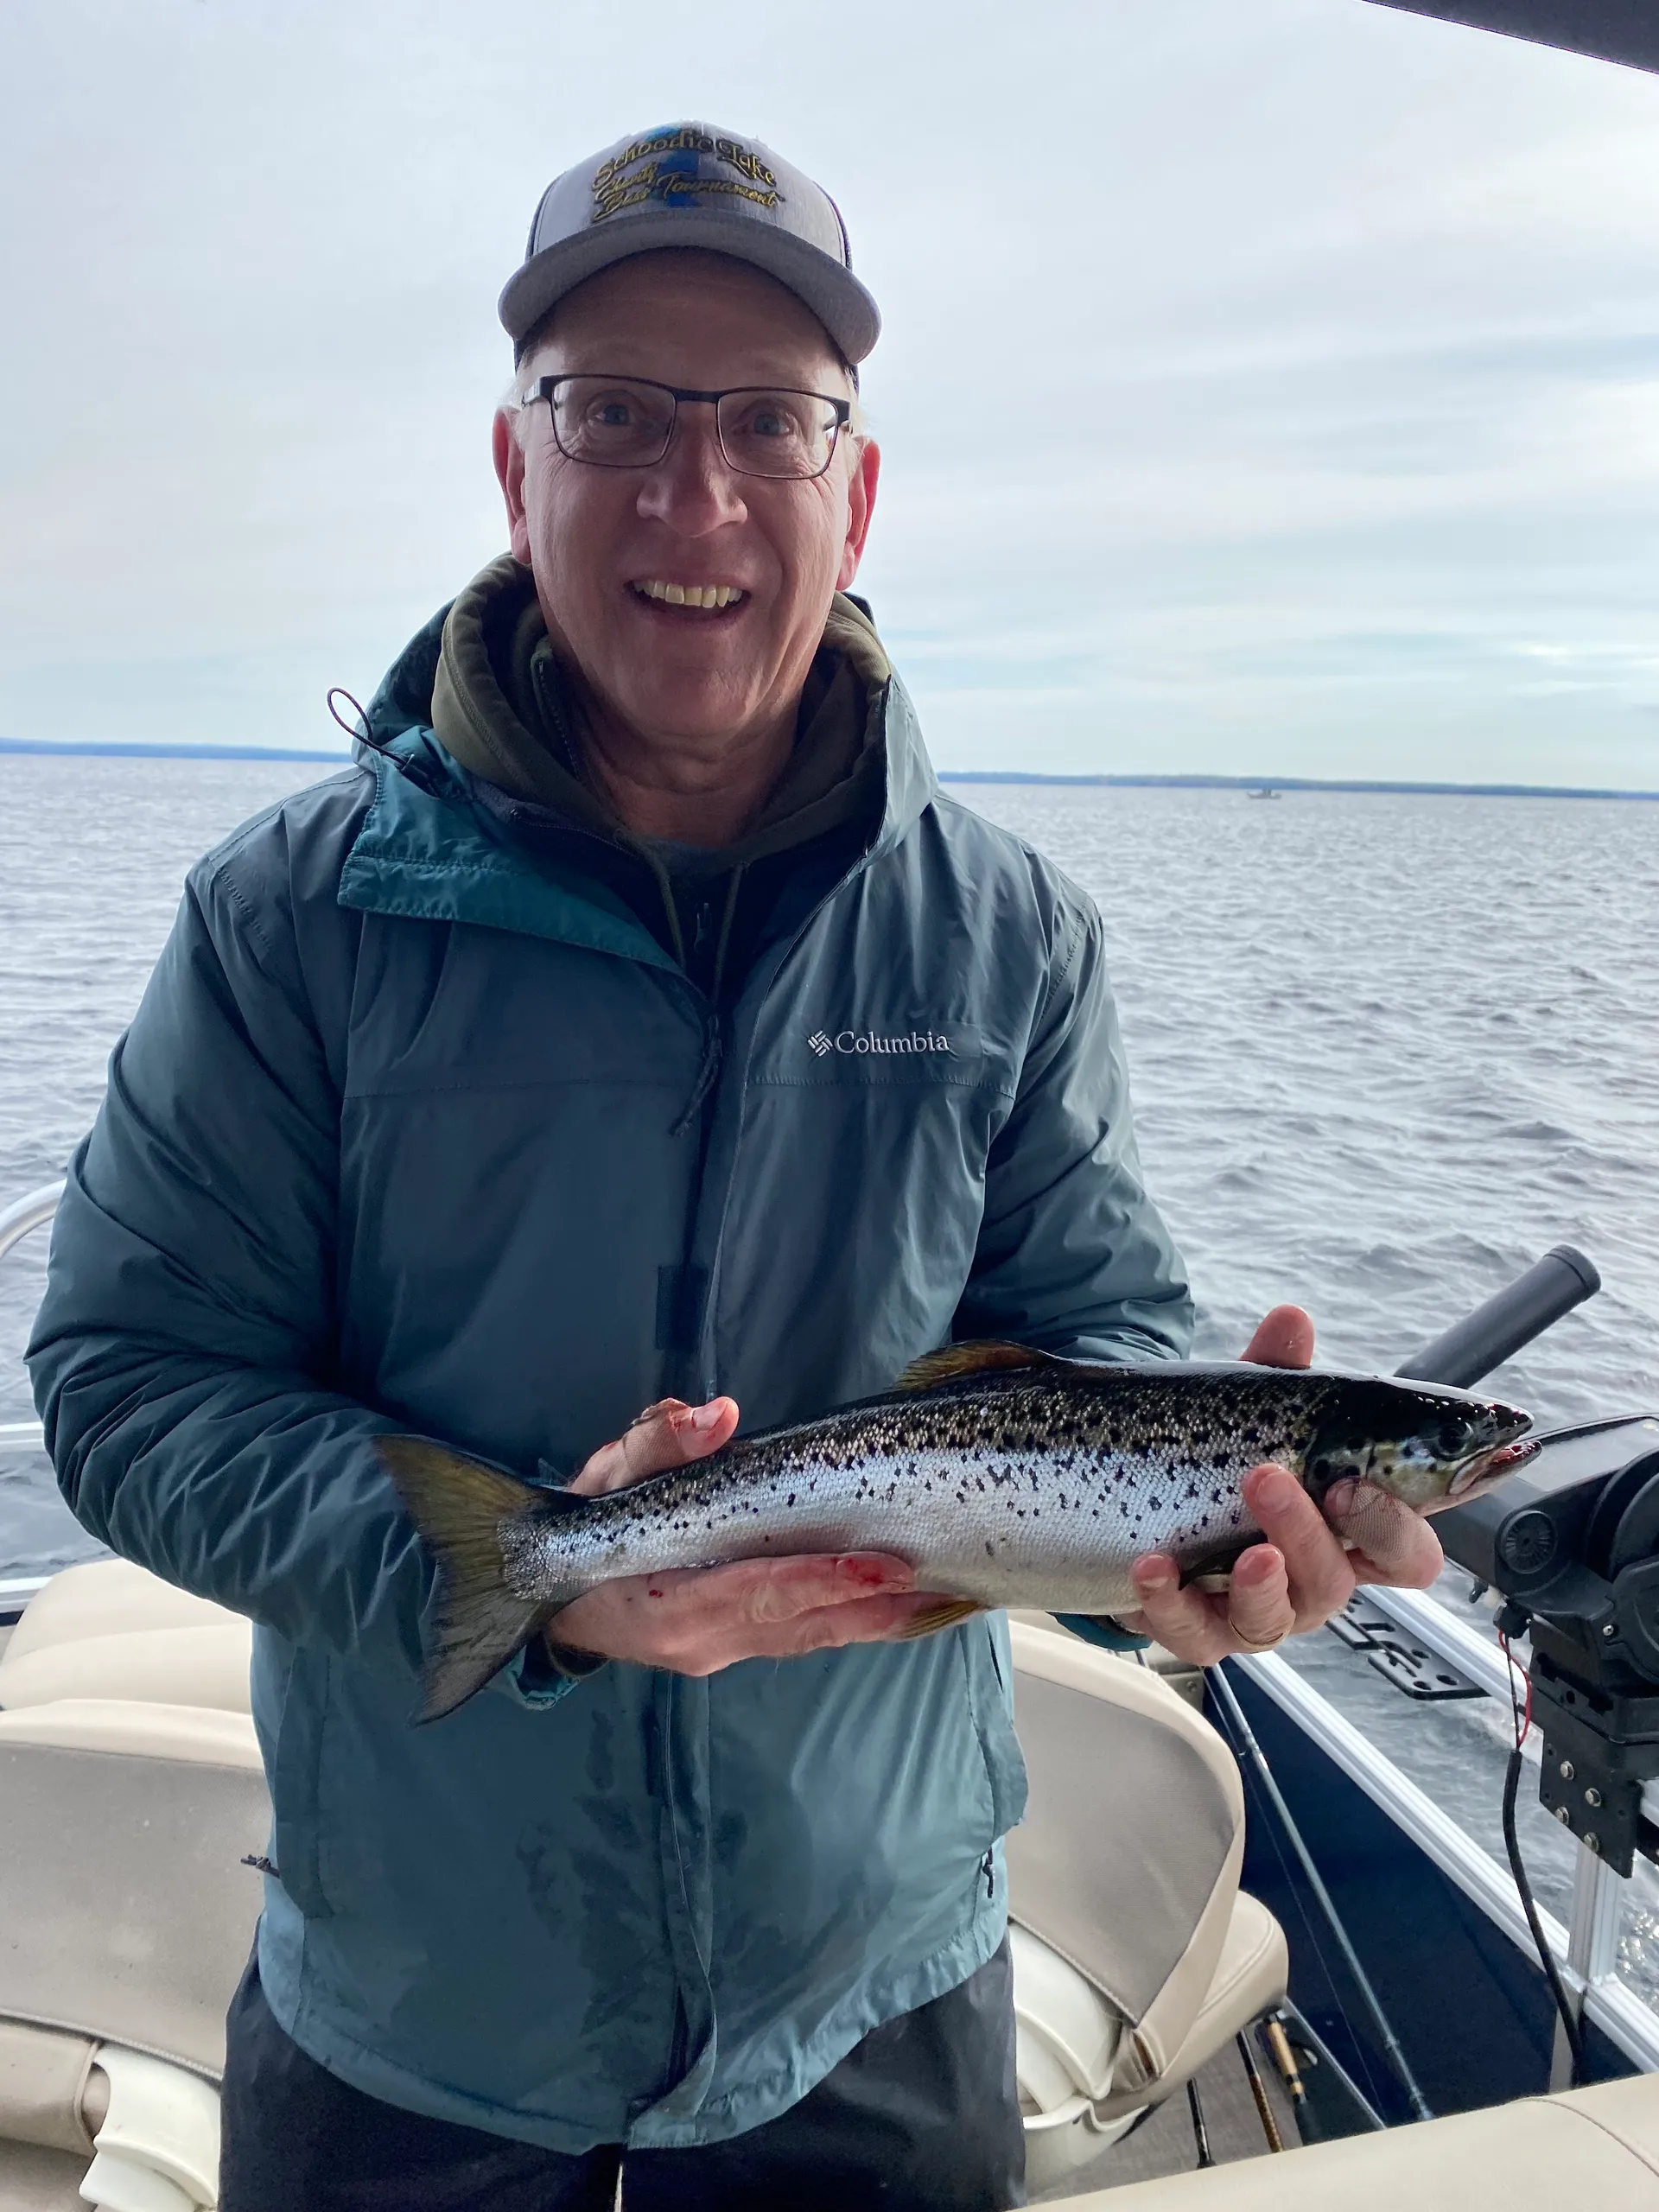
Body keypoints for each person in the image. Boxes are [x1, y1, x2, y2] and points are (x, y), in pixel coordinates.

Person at [28, 122, 1443, 2212]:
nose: (696, 497)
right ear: (516, 471)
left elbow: (1096, 1333)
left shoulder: (1008, 934)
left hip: (880, 2006)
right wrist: (527, 1587)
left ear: (851, 491)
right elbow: (129, 1382)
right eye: (617, 414)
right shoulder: (289, 921)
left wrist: (1200, 1556)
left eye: (768, 423)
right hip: (414, 2018)